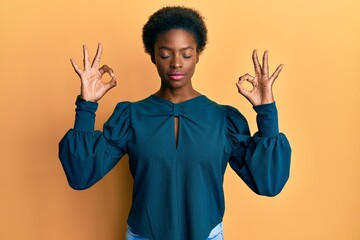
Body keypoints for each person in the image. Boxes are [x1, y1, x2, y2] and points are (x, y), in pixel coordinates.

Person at [59, 6, 291, 240]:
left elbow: (268, 183)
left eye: (186, 54)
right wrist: (86, 106)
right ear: (153, 55)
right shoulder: (131, 116)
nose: (176, 63)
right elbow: (81, 174)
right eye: (166, 54)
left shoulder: (224, 120)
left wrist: (266, 112)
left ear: (198, 54)